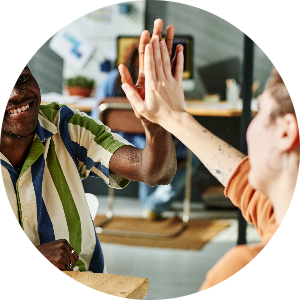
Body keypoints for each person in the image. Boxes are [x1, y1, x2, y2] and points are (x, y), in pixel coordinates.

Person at [120, 34, 299, 290]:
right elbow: (246, 187)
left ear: (285, 133)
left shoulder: (237, 266)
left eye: (259, 112)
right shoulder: (274, 216)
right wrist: (172, 118)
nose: (251, 126)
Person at [0, 20, 177, 273]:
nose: (17, 94)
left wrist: (157, 124)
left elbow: (155, 172)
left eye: (24, 77)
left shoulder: (66, 125)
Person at [91, 35, 200, 220]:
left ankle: (149, 205)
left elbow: (96, 119)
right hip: (147, 144)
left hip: (118, 147)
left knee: (146, 149)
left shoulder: (110, 80)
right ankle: (155, 205)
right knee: (192, 155)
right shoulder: (157, 83)